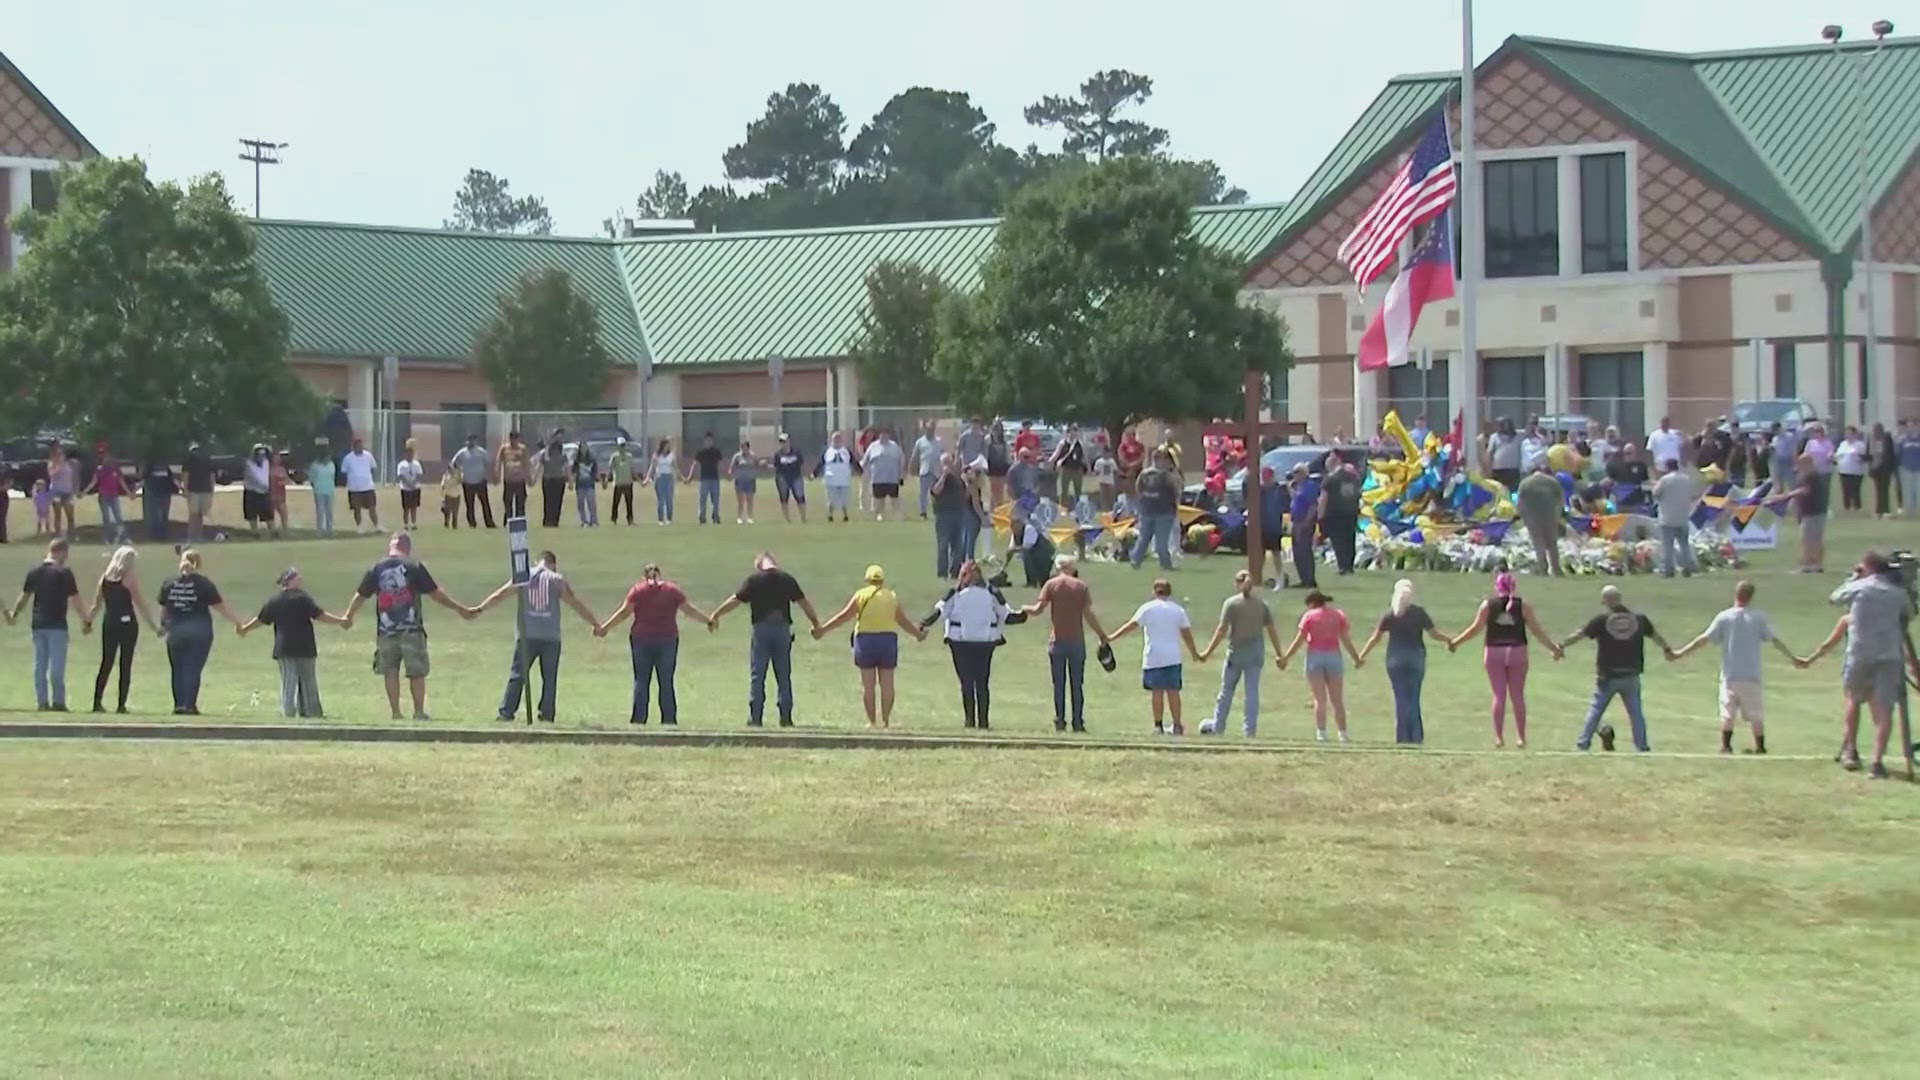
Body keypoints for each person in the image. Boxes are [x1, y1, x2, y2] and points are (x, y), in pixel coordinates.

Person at [342, 532, 477, 721]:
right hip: (411, 629)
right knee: (417, 671)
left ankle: (396, 712)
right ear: (407, 547)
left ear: (391, 547)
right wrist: (460, 609)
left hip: (386, 629)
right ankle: (419, 711)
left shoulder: (376, 568)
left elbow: (360, 595)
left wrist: (349, 616)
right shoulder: (414, 566)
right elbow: (436, 594)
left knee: (390, 670)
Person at [1815, 553, 1919, 778]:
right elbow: (1910, 613)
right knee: (1885, 709)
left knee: (1853, 699)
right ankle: (1877, 761)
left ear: (1868, 567)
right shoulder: (1898, 592)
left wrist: (1853, 577)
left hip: (1860, 653)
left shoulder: (1860, 587)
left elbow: (1834, 598)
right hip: (1889, 655)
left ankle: (1851, 751)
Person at [1669, 580, 1801, 755]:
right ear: (1751, 596)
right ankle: (1760, 746)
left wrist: (1680, 653)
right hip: (1752, 673)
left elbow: (1705, 639)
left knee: (1728, 711)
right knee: (1755, 712)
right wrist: (1792, 657)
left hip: (1731, 673)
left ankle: (1726, 745)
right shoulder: (1758, 617)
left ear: (1736, 594)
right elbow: (1774, 639)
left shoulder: (1725, 616)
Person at [477, 550, 599, 723]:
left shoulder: (523, 575)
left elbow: (501, 594)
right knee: (549, 678)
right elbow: (575, 602)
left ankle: (506, 712)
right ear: (553, 564)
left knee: (518, 674)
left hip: (527, 634)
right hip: (551, 636)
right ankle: (547, 714)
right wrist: (595, 623)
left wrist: (480, 608)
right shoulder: (557, 579)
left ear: (538, 561)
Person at [595, 562, 717, 725]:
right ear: (660, 574)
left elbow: (624, 613)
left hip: (641, 639)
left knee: (641, 680)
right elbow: (689, 610)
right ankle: (669, 719)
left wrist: (605, 628)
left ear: (644, 577)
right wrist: (707, 620)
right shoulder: (672, 590)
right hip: (667, 639)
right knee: (666, 681)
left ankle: (639, 719)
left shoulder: (638, 591)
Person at [1558, 585, 1675, 753]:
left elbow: (1580, 634)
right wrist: (1667, 650)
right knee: (1636, 713)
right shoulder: (1639, 619)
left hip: (1608, 674)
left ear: (1606, 601)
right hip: (1631, 673)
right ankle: (1642, 746)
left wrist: (1561, 646)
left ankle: (1583, 744)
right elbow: (1655, 636)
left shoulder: (1601, 620)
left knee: (1596, 710)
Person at [711, 552, 823, 727]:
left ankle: (756, 716)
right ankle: (785, 716)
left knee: (758, 674)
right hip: (782, 629)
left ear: (759, 565)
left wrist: (717, 614)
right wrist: (816, 623)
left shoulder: (754, 580)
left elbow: (736, 600)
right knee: (784, 674)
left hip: (761, 630)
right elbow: (804, 602)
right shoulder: (787, 579)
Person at [1448, 571, 1558, 747]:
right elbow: (1537, 631)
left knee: (1499, 696)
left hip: (1494, 651)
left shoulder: (1487, 605)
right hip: (1517, 650)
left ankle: (1499, 737)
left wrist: (1455, 642)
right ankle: (1521, 737)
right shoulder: (1523, 606)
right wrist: (1554, 648)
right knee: (1517, 696)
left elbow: (1475, 628)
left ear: (1497, 587)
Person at [811, 564, 928, 728]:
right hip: (887, 640)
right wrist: (919, 635)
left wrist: (822, 630)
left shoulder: (860, 595)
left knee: (868, 685)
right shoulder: (891, 597)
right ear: (882, 580)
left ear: (867, 580)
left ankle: (872, 722)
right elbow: (903, 621)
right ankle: (886, 720)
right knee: (887, 684)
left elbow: (843, 617)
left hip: (865, 640)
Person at [238, 567, 348, 719]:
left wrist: (245, 629)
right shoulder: (303, 598)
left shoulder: (275, 600)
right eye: (297, 577)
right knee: (308, 680)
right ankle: (312, 711)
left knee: (288, 681)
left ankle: (288, 712)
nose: (300, 579)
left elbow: (261, 620)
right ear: (289, 581)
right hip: (306, 646)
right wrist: (340, 621)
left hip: (284, 647)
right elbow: (320, 615)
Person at [1355, 579, 1450, 745]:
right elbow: (1434, 634)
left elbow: (1375, 638)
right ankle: (1416, 735)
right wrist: (1449, 640)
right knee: (1414, 696)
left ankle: (1402, 736)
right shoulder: (1419, 613)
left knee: (1400, 697)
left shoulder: (1390, 615)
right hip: (1416, 657)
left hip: (1395, 659)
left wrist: (1361, 656)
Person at [1022, 555, 1110, 733]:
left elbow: (1038, 610)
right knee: (1077, 684)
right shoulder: (1081, 586)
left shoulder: (1051, 585)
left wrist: (1024, 608)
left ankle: (1060, 720)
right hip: (1077, 640)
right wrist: (1101, 634)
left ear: (1057, 567)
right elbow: (1088, 614)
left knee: (1059, 684)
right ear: (1072, 567)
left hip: (1057, 641)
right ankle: (1078, 721)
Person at [1107, 578, 1204, 735]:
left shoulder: (1147, 608)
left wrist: (1112, 637)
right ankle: (1177, 725)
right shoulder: (1178, 610)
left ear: (1154, 592)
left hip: (1153, 656)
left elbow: (1131, 625)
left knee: (1157, 692)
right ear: (1169, 592)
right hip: (1173, 656)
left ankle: (1158, 726)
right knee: (1173, 691)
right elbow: (1186, 634)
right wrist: (1194, 653)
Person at [1195, 569, 1285, 737]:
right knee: (1252, 693)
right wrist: (1280, 654)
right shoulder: (1261, 604)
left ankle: (1219, 726)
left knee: (1226, 690)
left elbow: (1222, 630)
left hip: (1236, 651)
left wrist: (1208, 652)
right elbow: (1271, 630)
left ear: (1237, 583)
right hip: (1255, 650)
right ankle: (1249, 730)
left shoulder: (1231, 603)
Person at [925, 560, 1013, 729]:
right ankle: (976, 721)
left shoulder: (978, 592)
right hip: (975, 642)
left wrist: (924, 624)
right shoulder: (982, 593)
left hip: (967, 642)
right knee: (977, 682)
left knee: (972, 682)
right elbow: (1006, 614)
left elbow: (940, 611)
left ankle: (976, 721)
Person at [157, 549, 245, 715]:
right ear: (199, 564)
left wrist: (163, 626)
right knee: (193, 668)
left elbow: (164, 610)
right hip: (199, 632)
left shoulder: (169, 583)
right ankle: (190, 705)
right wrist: (237, 623)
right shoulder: (204, 584)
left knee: (178, 669)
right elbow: (221, 607)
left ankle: (179, 704)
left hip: (175, 632)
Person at [8, 538, 90, 710]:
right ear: (61, 552)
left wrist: (14, 614)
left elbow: (24, 597)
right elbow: (75, 600)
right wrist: (86, 620)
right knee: (57, 666)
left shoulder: (35, 572)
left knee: (40, 665)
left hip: (38, 624)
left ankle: (42, 702)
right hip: (57, 625)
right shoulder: (64, 573)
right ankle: (58, 701)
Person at [1277, 589, 1364, 742]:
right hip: (1333, 657)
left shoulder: (1309, 616)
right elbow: (1345, 639)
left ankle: (1321, 733)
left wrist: (1286, 658)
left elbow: (1300, 640)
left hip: (1315, 657)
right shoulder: (1338, 615)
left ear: (1311, 603)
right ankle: (1342, 734)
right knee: (1337, 699)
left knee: (1319, 699)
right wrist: (1356, 658)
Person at [85, 542, 162, 715]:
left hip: (109, 622)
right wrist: (154, 627)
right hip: (128, 625)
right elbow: (141, 604)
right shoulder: (129, 579)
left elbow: (96, 604)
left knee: (107, 662)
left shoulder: (104, 578)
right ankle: (121, 704)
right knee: (125, 664)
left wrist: (88, 622)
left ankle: (97, 701)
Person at [1129, 449, 1181, 572]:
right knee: (1161, 542)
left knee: (1144, 538)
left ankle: (1135, 561)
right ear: (1162, 459)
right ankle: (1165, 564)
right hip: (1164, 511)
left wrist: (1143, 502)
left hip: (1147, 510)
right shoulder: (1167, 475)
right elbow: (1176, 490)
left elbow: (1138, 489)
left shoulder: (1144, 474)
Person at [1780, 453, 1829, 574]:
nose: (1799, 466)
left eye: (1801, 463)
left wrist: (1786, 495)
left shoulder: (1811, 476)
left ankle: (1807, 565)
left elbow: (1804, 490)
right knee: (1815, 539)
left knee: (1807, 539)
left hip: (1812, 512)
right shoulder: (1808, 476)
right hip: (1815, 512)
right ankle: (1817, 564)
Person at [1651, 459, 1700, 577]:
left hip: (1667, 517)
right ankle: (1689, 567)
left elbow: (1655, 493)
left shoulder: (1665, 480)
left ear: (1667, 467)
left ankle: (1668, 569)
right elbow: (1693, 495)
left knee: (1667, 545)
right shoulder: (1686, 479)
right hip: (1682, 517)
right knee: (1684, 545)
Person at [1515, 463, 1565, 575]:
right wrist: (1558, 515)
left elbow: (1520, 502)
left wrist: (1523, 516)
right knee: (1552, 542)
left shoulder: (1525, 483)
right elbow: (1560, 500)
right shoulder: (1553, 482)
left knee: (1538, 542)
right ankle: (1556, 568)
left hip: (1532, 516)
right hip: (1550, 514)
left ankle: (1543, 567)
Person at [1318, 455, 1363, 575]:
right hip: (1351, 512)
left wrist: (1320, 515)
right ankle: (1349, 565)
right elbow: (1358, 494)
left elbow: (1324, 498)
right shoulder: (1353, 477)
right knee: (1350, 539)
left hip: (1335, 513)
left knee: (1338, 540)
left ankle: (1342, 566)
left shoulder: (1330, 479)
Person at [930, 453, 969, 579]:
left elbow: (966, 495)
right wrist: (944, 475)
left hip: (959, 513)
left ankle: (955, 572)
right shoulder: (937, 477)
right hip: (943, 515)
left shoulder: (958, 478)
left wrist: (968, 479)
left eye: (949, 463)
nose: (948, 465)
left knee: (958, 545)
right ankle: (942, 573)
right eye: (945, 463)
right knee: (943, 544)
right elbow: (935, 491)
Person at [449, 433, 495, 528]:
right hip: (467, 482)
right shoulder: (462, 453)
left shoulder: (481, 452)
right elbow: (452, 464)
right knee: (470, 505)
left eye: (473, 440)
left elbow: (488, 464)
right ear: (466, 441)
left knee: (485, 504)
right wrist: (457, 476)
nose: (471, 442)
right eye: (469, 440)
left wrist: (490, 476)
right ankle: (472, 523)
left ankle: (489, 523)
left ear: (476, 441)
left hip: (480, 481)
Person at [83, 450, 129, 545]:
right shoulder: (100, 469)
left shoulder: (116, 469)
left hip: (114, 495)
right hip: (104, 495)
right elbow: (94, 481)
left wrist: (129, 493)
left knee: (118, 517)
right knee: (106, 518)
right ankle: (107, 539)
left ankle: (124, 538)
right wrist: (84, 492)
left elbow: (121, 482)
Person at [1287, 463, 1320, 589]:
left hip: (1304, 521)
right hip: (1295, 520)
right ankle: (1303, 578)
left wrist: (1307, 521)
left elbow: (1313, 505)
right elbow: (1296, 500)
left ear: (1303, 473)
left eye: (1296, 472)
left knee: (1304, 550)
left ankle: (1309, 579)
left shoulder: (1310, 486)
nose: (1294, 475)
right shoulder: (1299, 487)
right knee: (1297, 551)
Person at [863, 428, 906, 521]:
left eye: (886, 434)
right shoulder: (873, 446)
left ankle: (899, 515)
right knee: (878, 499)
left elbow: (901, 460)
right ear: (879, 435)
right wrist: (867, 473)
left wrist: (901, 474)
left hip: (892, 478)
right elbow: (865, 460)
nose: (884, 436)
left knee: (895, 498)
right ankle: (879, 515)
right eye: (882, 434)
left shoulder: (894, 446)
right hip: (877, 478)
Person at [340, 437, 380, 533]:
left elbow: (373, 468)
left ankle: (377, 526)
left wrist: (371, 480)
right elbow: (344, 471)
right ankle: (359, 527)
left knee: (372, 508)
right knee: (357, 509)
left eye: (360, 445)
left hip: (368, 487)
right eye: (357, 446)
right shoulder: (348, 458)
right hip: (354, 488)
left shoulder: (368, 456)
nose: (359, 447)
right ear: (353, 447)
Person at [183, 439, 216, 543]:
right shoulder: (188, 461)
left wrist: (212, 489)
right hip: (194, 490)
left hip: (204, 490)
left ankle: (198, 537)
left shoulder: (207, 460)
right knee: (194, 514)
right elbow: (185, 475)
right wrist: (186, 489)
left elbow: (212, 475)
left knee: (200, 514)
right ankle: (191, 537)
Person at [689, 432, 725, 525]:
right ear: (704, 441)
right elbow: (694, 464)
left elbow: (721, 464)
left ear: (712, 441)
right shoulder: (701, 453)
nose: (709, 442)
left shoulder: (716, 452)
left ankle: (716, 517)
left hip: (714, 478)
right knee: (703, 499)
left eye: (710, 440)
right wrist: (690, 476)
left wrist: (726, 474)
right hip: (704, 479)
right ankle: (702, 517)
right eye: (707, 440)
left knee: (715, 499)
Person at [817, 431, 854, 522]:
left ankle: (845, 515)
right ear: (831, 440)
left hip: (844, 479)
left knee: (844, 500)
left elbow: (854, 462)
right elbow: (821, 464)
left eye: (838, 438)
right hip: (831, 479)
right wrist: (814, 474)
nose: (837, 441)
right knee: (831, 499)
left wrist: (861, 471)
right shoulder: (827, 451)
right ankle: (830, 515)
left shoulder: (846, 451)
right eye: (835, 439)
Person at [140, 454, 178, 543]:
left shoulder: (165, 468)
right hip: (155, 494)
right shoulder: (150, 466)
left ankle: (161, 536)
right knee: (156, 516)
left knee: (162, 516)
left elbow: (172, 478)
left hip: (163, 494)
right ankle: (155, 536)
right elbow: (144, 478)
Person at [771, 433, 807, 523]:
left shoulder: (796, 453)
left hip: (796, 477)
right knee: (784, 498)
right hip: (783, 478)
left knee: (800, 497)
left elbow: (802, 464)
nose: (783, 443)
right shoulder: (778, 455)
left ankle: (803, 518)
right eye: (781, 442)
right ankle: (787, 520)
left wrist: (808, 474)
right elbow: (775, 466)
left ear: (789, 441)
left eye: (784, 441)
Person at [910, 420, 942, 520]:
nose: (930, 431)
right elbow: (914, 456)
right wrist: (911, 467)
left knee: (937, 493)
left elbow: (944, 454)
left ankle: (937, 512)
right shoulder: (920, 442)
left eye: (932, 429)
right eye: (928, 429)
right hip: (924, 471)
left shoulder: (939, 441)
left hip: (936, 471)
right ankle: (923, 512)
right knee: (923, 493)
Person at [496, 430, 531, 520]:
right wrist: (497, 474)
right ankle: (508, 520)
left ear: (518, 439)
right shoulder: (504, 449)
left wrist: (529, 477)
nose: (514, 441)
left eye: (516, 439)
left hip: (520, 480)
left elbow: (527, 463)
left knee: (520, 502)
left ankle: (520, 521)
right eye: (512, 439)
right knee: (507, 501)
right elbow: (499, 462)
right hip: (508, 480)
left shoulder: (522, 449)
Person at [536, 435, 569, 528]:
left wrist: (569, 480)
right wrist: (534, 478)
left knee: (557, 501)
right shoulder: (546, 454)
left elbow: (567, 467)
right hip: (548, 480)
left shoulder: (562, 455)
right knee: (549, 501)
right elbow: (540, 466)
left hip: (558, 480)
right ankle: (548, 520)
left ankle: (554, 520)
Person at [45, 441, 76, 539]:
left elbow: (71, 477)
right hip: (56, 491)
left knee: (70, 513)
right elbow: (51, 475)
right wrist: (57, 467)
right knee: (57, 514)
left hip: (67, 491)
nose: (60, 456)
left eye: (61, 454)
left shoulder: (68, 465)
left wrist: (74, 488)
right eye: (57, 455)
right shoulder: (52, 465)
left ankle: (71, 535)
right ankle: (57, 535)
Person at [242, 444, 274, 536]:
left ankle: (273, 532)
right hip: (252, 492)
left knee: (268, 514)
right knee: (252, 515)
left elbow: (265, 476)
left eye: (263, 455)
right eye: (259, 455)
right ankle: (255, 533)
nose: (261, 457)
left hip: (264, 492)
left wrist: (267, 487)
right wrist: (265, 486)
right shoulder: (249, 464)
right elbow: (254, 478)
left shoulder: (266, 463)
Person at [1834, 425, 1867, 513]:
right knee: (1845, 490)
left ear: (1854, 434)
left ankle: (1857, 507)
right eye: (1846, 433)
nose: (1848, 435)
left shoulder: (1860, 445)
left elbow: (1865, 457)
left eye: (1850, 433)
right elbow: (1837, 455)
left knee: (1855, 490)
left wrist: (1859, 458)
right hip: (1843, 471)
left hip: (1856, 472)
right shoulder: (1843, 444)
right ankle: (1847, 507)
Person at [1052, 424, 1088, 504]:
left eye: (1075, 430)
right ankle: (1063, 507)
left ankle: (1079, 506)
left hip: (1078, 469)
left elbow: (1085, 456)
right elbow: (1056, 454)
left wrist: (1088, 468)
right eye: (1071, 430)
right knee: (1064, 489)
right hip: (1066, 469)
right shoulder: (1063, 443)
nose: (1073, 433)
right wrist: (1050, 461)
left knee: (1078, 490)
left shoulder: (1080, 444)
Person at [307, 441, 337, 537]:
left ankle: (329, 529)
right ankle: (319, 530)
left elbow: (333, 478)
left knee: (329, 512)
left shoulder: (331, 465)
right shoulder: (315, 466)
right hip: (319, 491)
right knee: (320, 511)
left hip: (330, 491)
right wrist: (316, 487)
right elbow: (312, 479)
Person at [395, 440, 426, 531]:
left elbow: (419, 474)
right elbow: (400, 476)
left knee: (414, 507)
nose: (410, 455)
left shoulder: (417, 464)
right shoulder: (401, 464)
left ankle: (413, 523)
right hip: (405, 489)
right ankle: (405, 524)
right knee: (406, 508)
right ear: (405, 454)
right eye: (408, 453)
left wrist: (414, 483)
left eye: (411, 453)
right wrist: (408, 483)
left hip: (415, 488)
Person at [606, 436, 637, 525]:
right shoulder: (614, 457)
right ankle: (614, 518)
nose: (622, 447)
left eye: (623, 445)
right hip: (618, 483)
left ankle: (630, 519)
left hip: (628, 482)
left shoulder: (629, 456)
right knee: (616, 502)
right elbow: (610, 469)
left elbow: (632, 469)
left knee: (629, 502)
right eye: (620, 445)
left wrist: (638, 480)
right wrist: (606, 479)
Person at [728, 440, 760, 524]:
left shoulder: (753, 456)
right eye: (742, 447)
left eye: (745, 447)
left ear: (748, 447)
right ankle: (739, 517)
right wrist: (730, 474)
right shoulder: (737, 456)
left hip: (750, 480)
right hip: (740, 480)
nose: (743, 449)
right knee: (740, 500)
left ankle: (750, 517)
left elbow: (758, 465)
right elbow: (732, 467)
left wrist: (756, 472)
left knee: (750, 500)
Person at [1485, 418, 1522, 490]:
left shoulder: (1518, 437)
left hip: (1513, 470)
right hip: (1498, 471)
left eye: (1508, 425)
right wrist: (1488, 470)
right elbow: (1489, 453)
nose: (1506, 427)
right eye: (1504, 425)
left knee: (1514, 492)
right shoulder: (1494, 437)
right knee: (1499, 490)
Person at [647, 437, 677, 523]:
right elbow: (652, 468)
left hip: (669, 478)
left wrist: (683, 478)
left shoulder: (671, 455)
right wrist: (647, 478)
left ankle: (669, 519)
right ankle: (660, 519)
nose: (667, 447)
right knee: (661, 500)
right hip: (659, 478)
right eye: (666, 446)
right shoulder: (656, 456)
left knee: (669, 500)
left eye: (668, 446)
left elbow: (675, 468)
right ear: (662, 446)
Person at [571, 442, 600, 527]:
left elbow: (595, 473)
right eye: (582, 448)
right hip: (580, 485)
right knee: (581, 504)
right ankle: (584, 521)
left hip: (589, 485)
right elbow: (574, 472)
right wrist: (571, 482)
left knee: (591, 503)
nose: (584, 449)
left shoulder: (592, 460)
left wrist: (602, 481)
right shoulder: (577, 461)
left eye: (585, 447)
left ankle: (594, 521)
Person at [984, 423, 1012, 507]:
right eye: (995, 429)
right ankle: (992, 509)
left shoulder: (1004, 440)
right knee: (993, 489)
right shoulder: (988, 439)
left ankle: (999, 508)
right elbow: (985, 453)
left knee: (1001, 490)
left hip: (1002, 466)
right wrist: (985, 465)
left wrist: (1009, 464)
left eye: (999, 429)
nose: (997, 431)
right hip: (992, 467)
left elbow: (1007, 454)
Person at [1898, 418, 1920, 517]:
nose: (1912, 428)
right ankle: (1910, 512)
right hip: (1906, 469)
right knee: (1908, 491)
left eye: (1914, 426)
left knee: (1918, 490)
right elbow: (1898, 453)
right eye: (1909, 426)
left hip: (1918, 469)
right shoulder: (1903, 439)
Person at [269, 450, 292, 535]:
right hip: (271, 494)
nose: (278, 459)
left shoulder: (282, 469)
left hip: (281, 495)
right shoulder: (269, 469)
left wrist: (284, 482)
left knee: (283, 512)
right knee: (271, 513)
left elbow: (288, 480)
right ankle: (273, 530)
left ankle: (285, 529)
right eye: (276, 458)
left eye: (278, 458)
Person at [1093, 444, 1118, 510]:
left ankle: (1112, 508)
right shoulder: (1099, 462)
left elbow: (1115, 470)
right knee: (1103, 497)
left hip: (1110, 482)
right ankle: (1105, 509)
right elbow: (1096, 471)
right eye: (1105, 453)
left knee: (1111, 497)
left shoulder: (1112, 461)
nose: (1107, 454)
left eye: (1108, 453)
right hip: (1102, 481)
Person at [438, 460, 461, 528]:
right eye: (449, 468)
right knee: (447, 512)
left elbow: (459, 481)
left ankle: (454, 526)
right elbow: (443, 486)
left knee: (455, 513)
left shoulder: (457, 475)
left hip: (456, 496)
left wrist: (455, 474)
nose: (450, 469)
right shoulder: (445, 476)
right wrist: (442, 496)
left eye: (451, 468)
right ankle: (446, 523)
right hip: (448, 496)